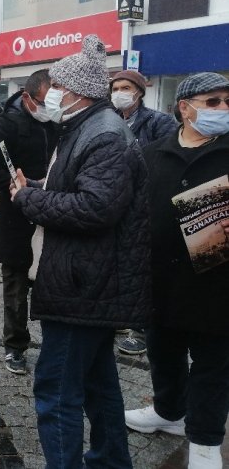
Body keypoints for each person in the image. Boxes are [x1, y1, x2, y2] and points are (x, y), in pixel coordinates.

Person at [10, 35, 151, 468]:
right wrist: (37, 187)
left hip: (83, 285)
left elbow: (95, 208)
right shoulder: (84, 127)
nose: (50, 93)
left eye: (55, 85)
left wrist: (28, 201)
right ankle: (110, 460)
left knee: (55, 392)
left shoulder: (104, 134)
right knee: (97, 384)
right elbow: (80, 188)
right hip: (86, 279)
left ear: (75, 93)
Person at [124, 72, 229, 469]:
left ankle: (204, 442)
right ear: (184, 108)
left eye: (227, 101)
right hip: (160, 281)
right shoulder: (151, 152)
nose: (223, 109)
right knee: (162, 353)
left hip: (217, 285)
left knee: (213, 365)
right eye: (212, 101)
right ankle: (169, 412)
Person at [0, 69, 56, 375]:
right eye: (45, 102)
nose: (51, 108)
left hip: (51, 218)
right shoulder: (8, 125)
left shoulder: (59, 122)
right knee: (15, 290)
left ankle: (53, 346)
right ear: (28, 98)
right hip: (15, 220)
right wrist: (19, 186)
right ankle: (15, 347)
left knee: (51, 287)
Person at [109, 69, 179, 355]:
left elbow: (165, 161)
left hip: (147, 203)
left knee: (144, 265)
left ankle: (139, 330)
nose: (119, 93)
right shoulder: (109, 120)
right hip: (117, 202)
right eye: (115, 88)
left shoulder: (158, 122)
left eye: (126, 87)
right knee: (117, 262)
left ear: (139, 91)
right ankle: (118, 316)